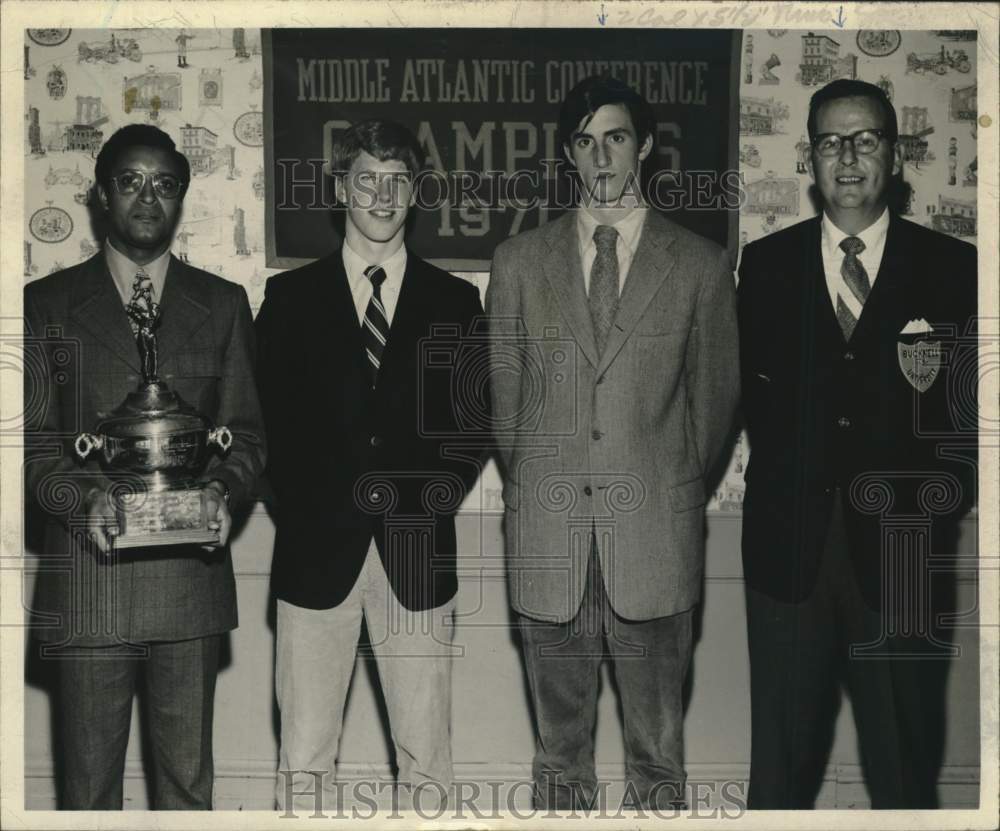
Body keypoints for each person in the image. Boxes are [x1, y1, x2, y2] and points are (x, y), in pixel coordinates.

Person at [486, 75, 739, 810]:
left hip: (654, 543)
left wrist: (661, 479)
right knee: (560, 761)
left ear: (646, 146)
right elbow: (507, 412)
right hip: (549, 540)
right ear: (569, 153)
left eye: (617, 137)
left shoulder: (698, 264)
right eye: (585, 140)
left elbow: (714, 404)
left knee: (656, 760)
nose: (602, 156)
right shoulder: (518, 263)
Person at [737, 79, 977, 809]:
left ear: (895, 155)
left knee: (904, 767)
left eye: (865, 139)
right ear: (809, 157)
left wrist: (930, 513)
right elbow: (742, 396)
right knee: (778, 774)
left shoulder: (952, 266)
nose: (848, 158)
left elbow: (967, 425)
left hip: (902, 557)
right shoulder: (766, 264)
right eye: (830, 142)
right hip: (787, 555)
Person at [23, 123, 266, 809]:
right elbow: (34, 446)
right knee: (89, 791)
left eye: (164, 183)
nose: (147, 197)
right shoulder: (47, 305)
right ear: (102, 194)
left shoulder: (222, 305)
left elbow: (245, 434)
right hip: (88, 584)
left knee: (187, 789)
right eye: (130, 181)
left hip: (188, 589)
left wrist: (221, 489)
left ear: (182, 196)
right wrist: (86, 500)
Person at [256, 119, 488, 813]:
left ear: (415, 192)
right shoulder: (290, 300)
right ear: (340, 188)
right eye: (367, 179)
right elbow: (264, 426)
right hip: (314, 556)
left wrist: (425, 501)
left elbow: (472, 429)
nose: (382, 196)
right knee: (304, 757)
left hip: (416, 555)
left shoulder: (455, 301)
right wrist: (307, 510)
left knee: (427, 762)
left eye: (397, 181)